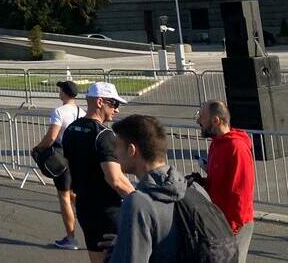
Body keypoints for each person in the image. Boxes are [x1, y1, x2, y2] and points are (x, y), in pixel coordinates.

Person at [61, 82, 135, 262]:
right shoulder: (104, 134)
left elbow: (71, 167)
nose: (116, 110)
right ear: (100, 102)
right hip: (108, 209)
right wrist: (140, 199)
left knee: (96, 255)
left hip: (85, 205)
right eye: (114, 104)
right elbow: (115, 179)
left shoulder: (71, 129)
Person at [105, 114, 191, 262]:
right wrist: (128, 240)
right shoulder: (192, 189)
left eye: (117, 146)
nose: (114, 153)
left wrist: (119, 250)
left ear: (132, 150)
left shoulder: (138, 203)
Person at [194, 101, 255, 262]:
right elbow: (219, 183)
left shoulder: (237, 147)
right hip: (220, 222)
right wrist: (202, 182)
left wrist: (230, 229)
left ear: (216, 121)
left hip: (234, 225)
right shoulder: (216, 144)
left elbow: (241, 193)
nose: (198, 121)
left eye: (202, 117)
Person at [33, 80, 85, 250]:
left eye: (61, 89)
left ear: (64, 93)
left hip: (62, 158)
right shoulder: (82, 112)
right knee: (73, 195)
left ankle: (71, 238)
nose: (59, 91)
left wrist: (38, 148)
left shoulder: (59, 111)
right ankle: (92, 224)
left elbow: (51, 137)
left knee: (64, 197)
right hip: (78, 158)